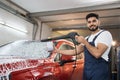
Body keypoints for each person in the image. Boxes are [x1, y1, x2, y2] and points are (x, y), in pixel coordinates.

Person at [55, 13, 113, 80]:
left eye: (94, 21)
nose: (91, 24)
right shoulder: (87, 38)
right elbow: (75, 51)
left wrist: (84, 42)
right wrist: (58, 50)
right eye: (89, 22)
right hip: (87, 72)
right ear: (87, 24)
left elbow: (97, 54)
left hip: (99, 73)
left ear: (99, 22)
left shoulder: (105, 34)